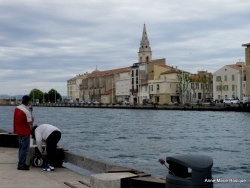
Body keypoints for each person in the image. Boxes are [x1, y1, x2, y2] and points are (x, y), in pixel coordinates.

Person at [13, 95, 34, 170]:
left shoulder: (17, 108)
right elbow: (29, 123)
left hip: (18, 130)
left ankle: (20, 163)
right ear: (28, 102)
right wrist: (32, 118)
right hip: (25, 131)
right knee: (24, 149)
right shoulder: (27, 112)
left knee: (21, 148)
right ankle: (21, 165)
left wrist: (29, 110)